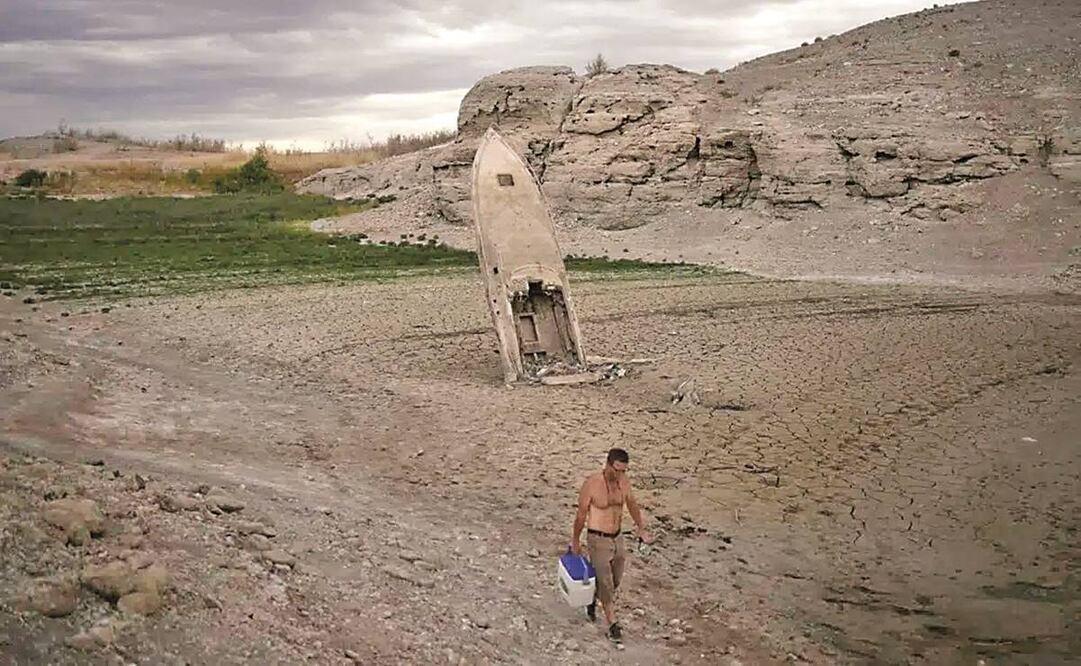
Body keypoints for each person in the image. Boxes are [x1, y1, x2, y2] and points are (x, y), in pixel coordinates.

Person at [570, 447, 653, 642]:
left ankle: (591, 599)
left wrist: (641, 528)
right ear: (608, 465)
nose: (620, 474)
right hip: (597, 538)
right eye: (617, 469)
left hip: (617, 537)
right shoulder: (592, 484)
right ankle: (612, 623)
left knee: (615, 580)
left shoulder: (624, 483)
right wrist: (575, 540)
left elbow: (632, 504)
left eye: (624, 470)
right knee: (606, 583)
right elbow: (581, 514)